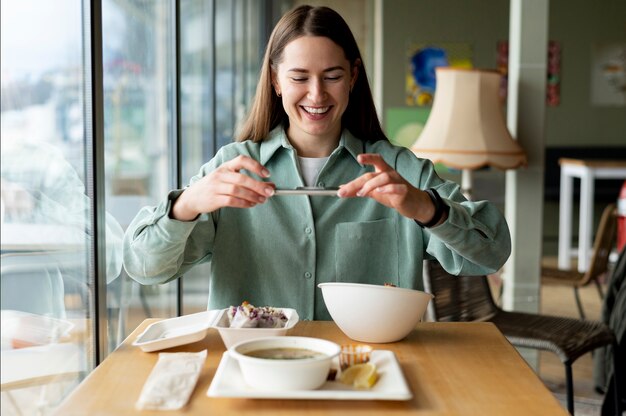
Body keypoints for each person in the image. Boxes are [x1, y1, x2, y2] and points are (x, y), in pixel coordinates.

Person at [123, 5, 511, 320]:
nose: (316, 94)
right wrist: (187, 204)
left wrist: (427, 209)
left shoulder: (400, 171)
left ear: (353, 76)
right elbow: (144, 267)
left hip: (369, 376)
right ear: (275, 81)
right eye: (298, 77)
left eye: (332, 76)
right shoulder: (232, 168)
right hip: (253, 375)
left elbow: (492, 254)